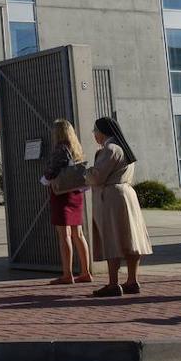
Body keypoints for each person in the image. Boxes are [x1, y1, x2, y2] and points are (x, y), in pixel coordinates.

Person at [85, 117, 153, 297]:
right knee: (130, 238)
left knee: (112, 238)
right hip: (127, 193)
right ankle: (132, 280)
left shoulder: (109, 149)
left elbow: (98, 176)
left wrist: (85, 172)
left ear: (102, 131)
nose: (94, 135)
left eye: (95, 131)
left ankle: (113, 283)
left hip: (111, 197)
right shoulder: (124, 147)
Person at [38, 119, 92, 285]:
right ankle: (85, 271)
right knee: (79, 234)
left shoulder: (60, 148)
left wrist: (44, 178)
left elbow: (51, 171)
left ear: (58, 132)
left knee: (64, 235)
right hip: (76, 193)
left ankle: (67, 274)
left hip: (62, 194)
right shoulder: (76, 147)